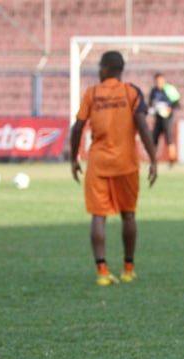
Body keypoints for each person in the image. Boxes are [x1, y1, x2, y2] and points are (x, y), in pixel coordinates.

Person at [70, 51, 158, 286]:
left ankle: (102, 271)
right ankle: (128, 269)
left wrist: (74, 158)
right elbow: (142, 126)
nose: (99, 71)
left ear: (107, 69)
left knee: (98, 216)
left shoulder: (92, 93)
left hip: (98, 163)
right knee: (128, 215)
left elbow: (77, 127)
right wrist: (153, 159)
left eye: (100, 67)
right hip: (126, 163)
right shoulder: (132, 92)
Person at [149, 73, 181, 167]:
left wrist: (168, 109)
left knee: (169, 139)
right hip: (158, 118)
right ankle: (153, 161)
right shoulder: (154, 91)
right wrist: (152, 109)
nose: (159, 83)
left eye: (160, 81)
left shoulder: (169, 89)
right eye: (157, 81)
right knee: (154, 139)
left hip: (167, 118)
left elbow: (177, 103)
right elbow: (150, 103)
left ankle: (172, 161)